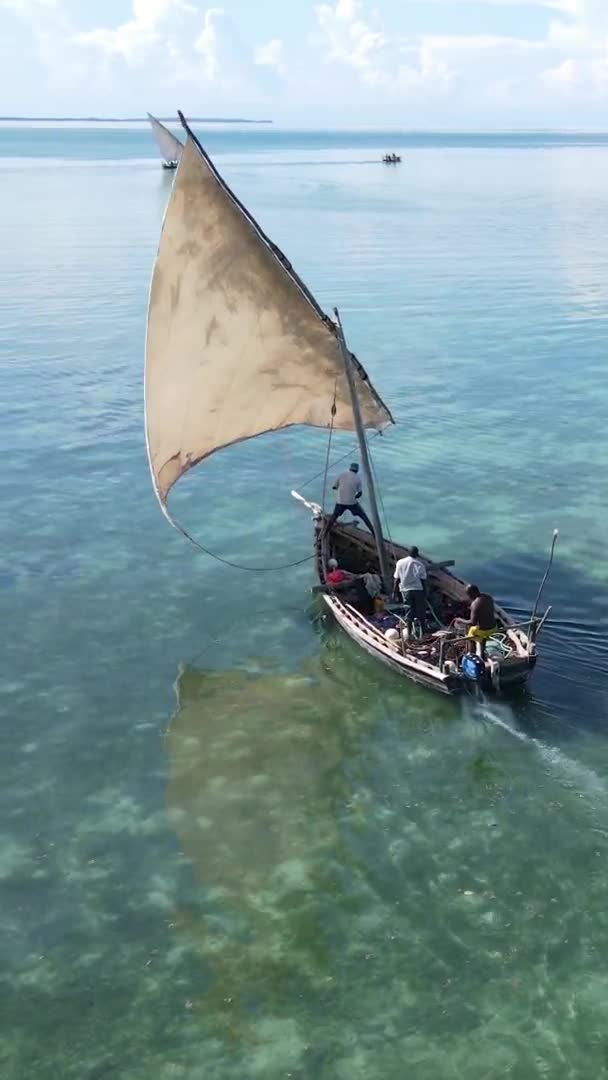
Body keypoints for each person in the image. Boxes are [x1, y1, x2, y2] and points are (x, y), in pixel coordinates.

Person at [325, 463, 374, 534]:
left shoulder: (342, 475)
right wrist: (355, 496)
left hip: (340, 502)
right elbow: (359, 493)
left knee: (334, 516)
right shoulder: (358, 479)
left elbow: (334, 487)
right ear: (357, 470)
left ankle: (326, 531)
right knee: (363, 516)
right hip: (352, 503)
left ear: (350, 469)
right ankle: (374, 532)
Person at [393, 545, 427, 635]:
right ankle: (423, 633)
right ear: (417, 554)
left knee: (409, 611)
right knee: (421, 611)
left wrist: (394, 592)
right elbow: (423, 580)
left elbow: (397, 579)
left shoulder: (400, 562)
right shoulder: (420, 564)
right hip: (418, 590)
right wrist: (425, 592)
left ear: (408, 552)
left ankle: (409, 633)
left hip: (405, 590)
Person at [455, 584, 497, 655]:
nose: (468, 597)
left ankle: (471, 652)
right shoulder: (488, 597)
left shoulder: (474, 604)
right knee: (479, 626)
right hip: (494, 627)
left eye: (468, 595)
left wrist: (460, 620)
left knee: (469, 631)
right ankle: (482, 647)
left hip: (484, 631)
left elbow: (472, 622)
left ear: (471, 594)